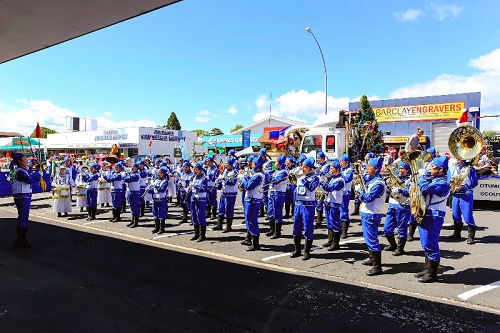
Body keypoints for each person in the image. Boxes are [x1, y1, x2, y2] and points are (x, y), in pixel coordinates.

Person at [415, 156, 450, 283]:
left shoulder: (443, 183)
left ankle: (432, 274)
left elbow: (424, 188)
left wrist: (421, 176)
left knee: (430, 244)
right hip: (427, 214)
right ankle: (427, 269)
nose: (430, 169)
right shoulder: (434, 179)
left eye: (433, 167)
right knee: (425, 243)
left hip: (434, 215)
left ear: (441, 169)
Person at [356, 157, 386, 276]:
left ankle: (377, 267)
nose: (367, 169)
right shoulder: (371, 180)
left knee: (372, 239)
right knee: (368, 238)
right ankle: (371, 258)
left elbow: (368, 198)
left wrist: (360, 191)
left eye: (370, 167)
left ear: (376, 169)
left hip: (372, 214)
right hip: (367, 213)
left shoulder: (378, 184)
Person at [290, 157, 319, 260]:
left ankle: (307, 251)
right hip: (298, 204)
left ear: (311, 168)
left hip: (308, 206)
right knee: (296, 228)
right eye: (302, 166)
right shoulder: (299, 176)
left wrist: (304, 178)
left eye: (305, 167)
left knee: (308, 228)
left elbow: (311, 187)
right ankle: (297, 250)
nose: (303, 169)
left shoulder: (315, 178)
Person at [11, 152, 41, 248]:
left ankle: (20, 239)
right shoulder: (20, 171)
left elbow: (30, 175)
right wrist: (37, 171)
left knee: (23, 217)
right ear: (19, 161)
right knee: (23, 217)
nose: (27, 160)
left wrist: (37, 169)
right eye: (25, 158)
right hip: (22, 197)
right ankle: (21, 241)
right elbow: (30, 180)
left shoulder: (22, 170)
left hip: (23, 196)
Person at [448, 159, 479, 244]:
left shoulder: (469, 168)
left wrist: (463, 187)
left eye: (458, 158)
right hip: (455, 194)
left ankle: (471, 236)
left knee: (468, 216)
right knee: (455, 215)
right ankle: (457, 234)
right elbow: (449, 178)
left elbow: (474, 182)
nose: (456, 159)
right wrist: (451, 182)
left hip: (466, 194)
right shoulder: (454, 167)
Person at [383, 161, 411, 256]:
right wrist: (387, 187)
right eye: (399, 168)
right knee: (387, 229)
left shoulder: (410, 180)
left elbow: (411, 193)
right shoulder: (394, 177)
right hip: (392, 205)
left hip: (403, 206)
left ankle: (400, 248)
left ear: (407, 170)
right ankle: (393, 245)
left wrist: (399, 190)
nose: (400, 170)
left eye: (402, 169)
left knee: (402, 229)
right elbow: (388, 190)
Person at [240, 156, 265, 251]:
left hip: (253, 200)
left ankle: (255, 243)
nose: (252, 165)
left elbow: (249, 186)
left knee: (252, 220)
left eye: (253, 163)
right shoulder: (256, 174)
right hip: (250, 199)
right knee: (248, 219)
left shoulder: (258, 175)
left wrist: (243, 179)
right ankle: (250, 239)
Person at [320, 159, 345, 251]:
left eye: (332, 168)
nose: (330, 169)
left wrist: (321, 182)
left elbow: (330, 188)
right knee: (329, 222)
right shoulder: (333, 178)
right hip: (328, 202)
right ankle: (330, 240)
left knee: (335, 223)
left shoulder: (340, 180)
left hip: (335, 204)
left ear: (337, 169)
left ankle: (336, 243)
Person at [266, 155, 289, 239]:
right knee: (270, 211)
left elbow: (275, 181)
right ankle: (272, 229)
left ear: (279, 163)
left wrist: (267, 174)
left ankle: (277, 231)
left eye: (276, 162)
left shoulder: (283, 172)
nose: (274, 163)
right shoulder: (276, 171)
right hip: (272, 193)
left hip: (279, 194)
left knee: (277, 212)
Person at [213, 157, 238, 232]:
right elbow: (222, 181)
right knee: (221, 208)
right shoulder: (225, 171)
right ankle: (219, 224)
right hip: (224, 193)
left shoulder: (234, 172)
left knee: (229, 210)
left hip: (230, 194)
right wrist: (218, 183)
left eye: (227, 164)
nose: (225, 165)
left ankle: (228, 226)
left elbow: (232, 182)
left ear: (230, 165)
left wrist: (223, 178)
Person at [190, 162, 208, 242]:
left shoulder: (204, 178)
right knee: (194, 216)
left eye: (196, 169)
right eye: (194, 169)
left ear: (200, 170)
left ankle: (202, 235)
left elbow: (204, 188)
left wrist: (195, 186)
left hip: (201, 199)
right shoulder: (194, 177)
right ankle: (196, 233)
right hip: (194, 199)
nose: (194, 170)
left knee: (200, 216)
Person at [150, 166, 169, 234]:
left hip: (162, 200)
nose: (158, 173)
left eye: (160, 172)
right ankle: (156, 227)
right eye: (158, 172)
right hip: (155, 199)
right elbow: (152, 189)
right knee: (155, 214)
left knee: (162, 214)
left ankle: (162, 228)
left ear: (163, 173)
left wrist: (156, 187)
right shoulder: (156, 180)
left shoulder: (165, 181)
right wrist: (150, 190)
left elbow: (162, 189)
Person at [339, 154, 354, 238]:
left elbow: (347, 179)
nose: (340, 163)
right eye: (340, 161)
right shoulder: (342, 170)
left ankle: (344, 231)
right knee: (339, 210)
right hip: (339, 193)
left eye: (341, 161)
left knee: (344, 210)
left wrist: (338, 174)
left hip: (345, 193)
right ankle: (340, 228)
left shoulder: (349, 170)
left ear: (346, 162)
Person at [314, 151, 330, 226]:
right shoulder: (318, 166)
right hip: (318, 187)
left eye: (319, 158)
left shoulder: (326, 166)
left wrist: (316, 171)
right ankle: (319, 217)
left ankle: (320, 219)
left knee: (321, 202)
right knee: (317, 203)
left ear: (323, 158)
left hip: (323, 187)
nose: (317, 160)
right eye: (317, 158)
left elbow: (322, 173)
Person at [124, 162, 141, 228]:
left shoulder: (137, 175)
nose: (131, 168)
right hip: (131, 192)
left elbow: (127, 179)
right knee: (131, 207)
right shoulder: (132, 173)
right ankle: (132, 220)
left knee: (135, 207)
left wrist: (125, 176)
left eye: (133, 167)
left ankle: (135, 222)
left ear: (136, 168)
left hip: (135, 193)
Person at [205, 156, 220, 221]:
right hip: (207, 186)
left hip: (213, 187)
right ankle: (208, 213)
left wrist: (212, 177)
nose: (207, 163)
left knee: (213, 200)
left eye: (208, 162)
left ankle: (214, 214)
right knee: (207, 200)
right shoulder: (208, 169)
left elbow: (216, 178)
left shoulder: (216, 169)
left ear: (211, 162)